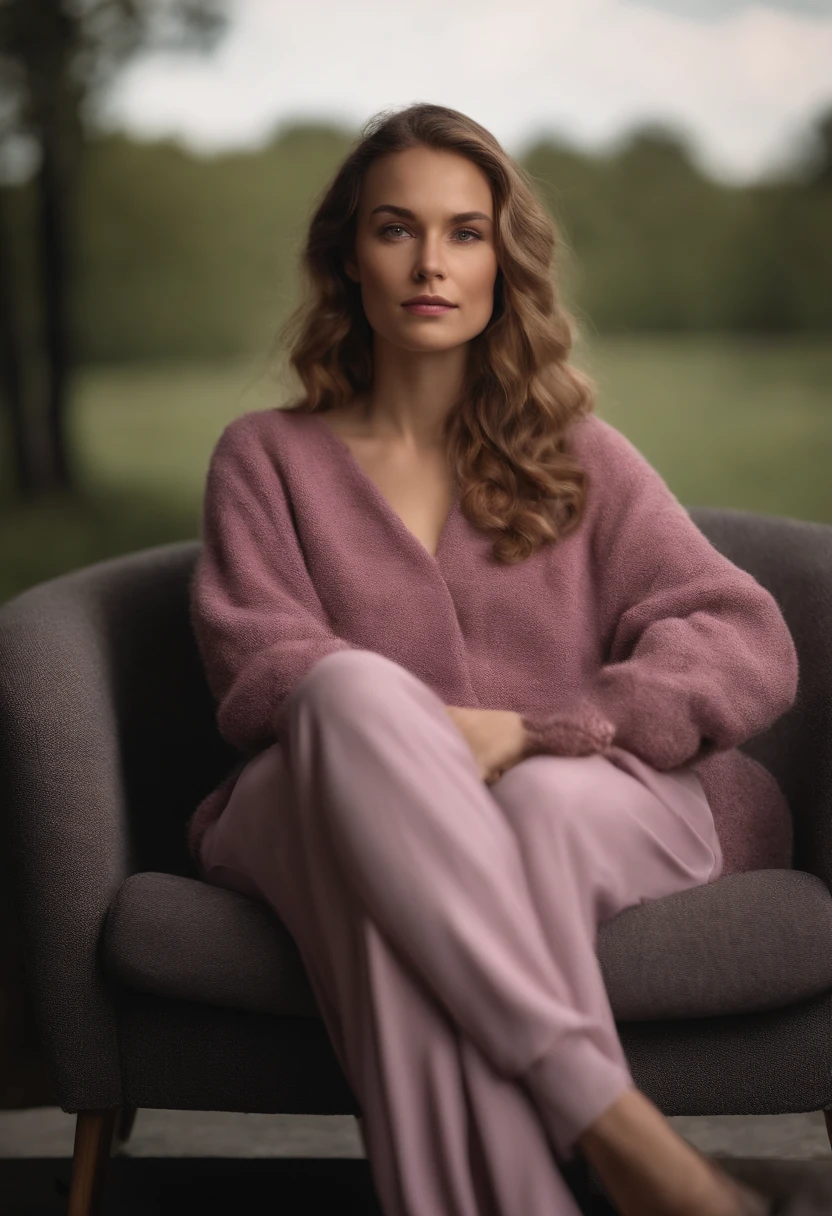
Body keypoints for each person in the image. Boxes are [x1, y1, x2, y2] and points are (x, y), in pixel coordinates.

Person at [187, 102, 808, 1215]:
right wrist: (425, 739)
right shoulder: (265, 458)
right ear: (346, 257)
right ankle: (612, 1124)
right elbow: (258, 664)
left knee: (518, 817)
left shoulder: (580, 461)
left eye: (465, 232)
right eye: (396, 228)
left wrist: (535, 732)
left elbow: (740, 633)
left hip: (586, 792)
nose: (431, 262)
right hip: (323, 778)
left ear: (501, 261)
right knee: (343, 693)